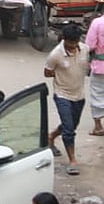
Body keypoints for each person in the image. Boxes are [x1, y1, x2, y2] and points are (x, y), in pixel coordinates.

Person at [45, 22, 89, 175]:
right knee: (69, 129)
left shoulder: (85, 49)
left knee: (70, 125)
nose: (73, 46)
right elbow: (47, 72)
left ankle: (51, 136)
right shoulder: (55, 55)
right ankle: (72, 160)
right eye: (70, 43)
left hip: (79, 95)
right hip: (62, 94)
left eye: (75, 42)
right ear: (64, 39)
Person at [84, 13, 104, 137]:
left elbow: (89, 46)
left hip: (100, 65)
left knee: (97, 93)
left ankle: (98, 126)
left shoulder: (97, 22)